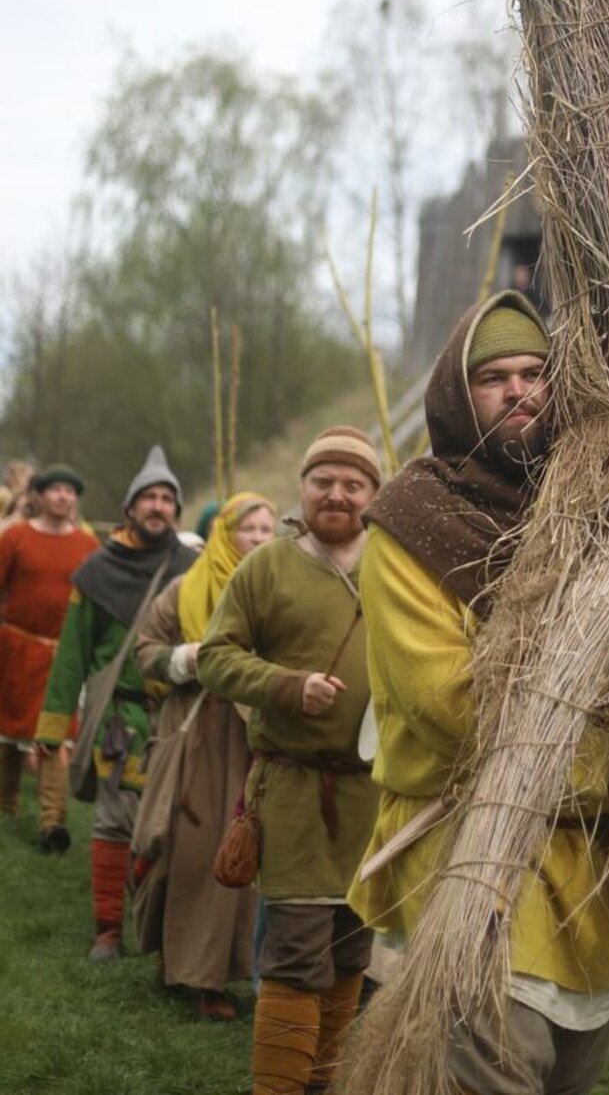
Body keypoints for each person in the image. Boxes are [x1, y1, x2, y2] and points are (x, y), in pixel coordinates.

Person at [349, 292, 609, 1095]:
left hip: (599, 873)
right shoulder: (411, 524)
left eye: (536, 373)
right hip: (474, 847)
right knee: (490, 1068)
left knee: (565, 1075)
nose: (519, 392)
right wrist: (605, 766)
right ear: (454, 396)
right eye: (493, 378)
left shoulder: (603, 515)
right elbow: (450, 707)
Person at [198, 427, 381, 1095]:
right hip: (297, 792)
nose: (336, 493)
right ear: (302, 489)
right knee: (297, 952)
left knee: (349, 949)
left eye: (352, 484)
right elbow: (216, 657)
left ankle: (321, 1082)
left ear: (373, 494)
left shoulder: (395, 568)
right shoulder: (265, 567)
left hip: (373, 796)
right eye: (323, 481)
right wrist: (284, 685)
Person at [36, 445, 196, 959]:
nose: (157, 507)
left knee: (167, 825)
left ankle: (150, 911)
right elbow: (71, 656)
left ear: (176, 509)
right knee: (112, 822)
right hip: (118, 719)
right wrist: (53, 726)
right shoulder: (97, 571)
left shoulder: (193, 568)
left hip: (178, 717)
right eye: (148, 497)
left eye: (166, 499)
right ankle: (107, 928)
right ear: (130, 508)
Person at [133, 490, 277, 1020]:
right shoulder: (185, 588)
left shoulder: (278, 589)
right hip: (196, 729)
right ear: (225, 533)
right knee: (188, 847)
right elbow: (146, 650)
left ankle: (213, 974)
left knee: (237, 849)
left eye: (267, 530)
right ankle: (181, 960)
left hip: (251, 733)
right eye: (249, 529)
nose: (259, 539)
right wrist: (186, 657)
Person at [0, 465, 99, 850]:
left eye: (69, 491)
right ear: (38, 496)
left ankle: (52, 823)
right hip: (15, 648)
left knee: (55, 735)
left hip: (65, 654)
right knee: (8, 732)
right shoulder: (15, 538)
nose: (62, 496)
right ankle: (5, 805)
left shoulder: (88, 547)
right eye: (55, 489)